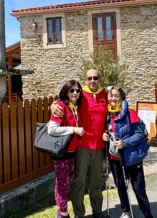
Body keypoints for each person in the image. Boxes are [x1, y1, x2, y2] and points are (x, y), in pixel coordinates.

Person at [51, 68, 107, 218]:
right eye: (89, 78)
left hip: (99, 146)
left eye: (95, 78)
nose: (93, 81)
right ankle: (79, 214)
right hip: (82, 145)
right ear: (85, 80)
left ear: (100, 79)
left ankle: (97, 212)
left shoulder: (105, 94)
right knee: (79, 182)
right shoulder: (81, 95)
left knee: (96, 182)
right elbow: (64, 100)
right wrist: (53, 105)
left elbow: (118, 103)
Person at [103, 85, 154, 218]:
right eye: (110, 95)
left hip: (131, 156)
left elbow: (139, 134)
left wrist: (125, 143)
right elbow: (107, 131)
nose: (113, 98)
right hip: (114, 157)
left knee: (138, 189)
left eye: (116, 96)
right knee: (120, 185)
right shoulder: (107, 114)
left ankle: (147, 214)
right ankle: (126, 211)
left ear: (121, 97)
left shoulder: (129, 112)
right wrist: (105, 136)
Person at [47, 80, 85, 218]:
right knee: (63, 184)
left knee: (64, 183)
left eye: (77, 90)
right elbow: (51, 129)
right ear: (66, 92)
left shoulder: (75, 106)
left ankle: (60, 213)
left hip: (72, 152)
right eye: (71, 90)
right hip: (61, 153)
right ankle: (63, 214)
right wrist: (73, 129)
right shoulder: (60, 106)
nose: (75, 93)